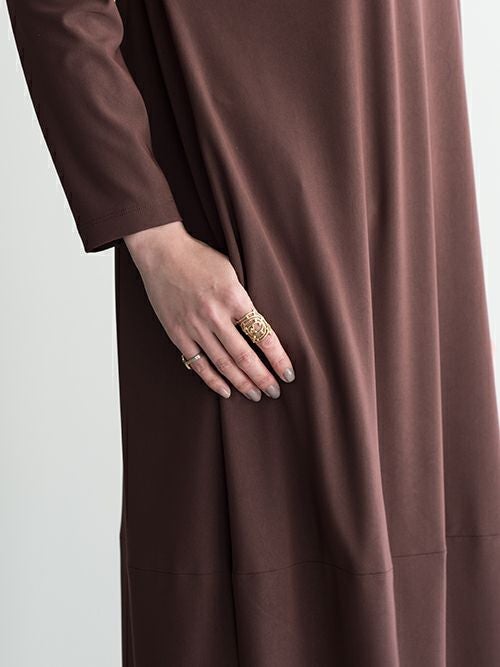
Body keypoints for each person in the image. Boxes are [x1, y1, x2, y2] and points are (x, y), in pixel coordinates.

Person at [6, 0, 500, 664]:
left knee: (423, 563)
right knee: (259, 580)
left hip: (413, 187)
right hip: (244, 214)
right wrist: (154, 235)